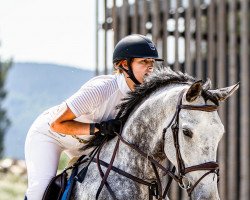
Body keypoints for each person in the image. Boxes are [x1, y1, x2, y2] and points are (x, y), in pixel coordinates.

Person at [24, 34, 163, 200]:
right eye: (143, 62)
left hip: (85, 144)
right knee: (39, 191)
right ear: (124, 64)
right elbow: (57, 124)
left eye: (152, 63)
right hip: (50, 135)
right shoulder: (101, 89)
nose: (150, 68)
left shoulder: (141, 97)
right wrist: (99, 128)